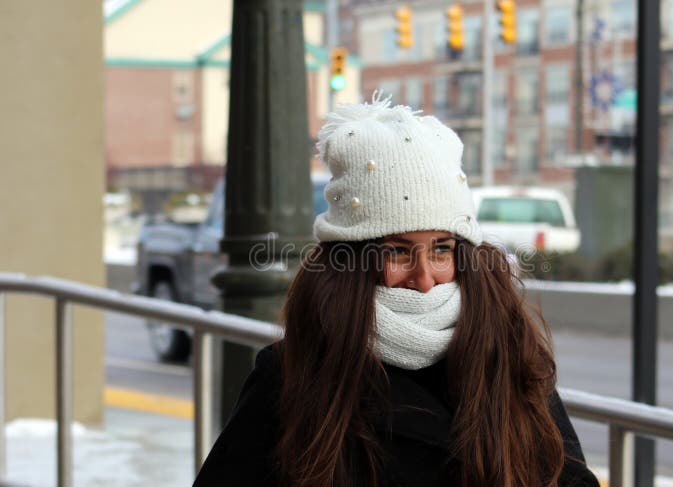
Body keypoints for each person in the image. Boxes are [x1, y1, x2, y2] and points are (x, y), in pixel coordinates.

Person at [194, 94, 600, 487]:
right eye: (398, 252)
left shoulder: (506, 353)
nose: (424, 278)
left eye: (441, 249)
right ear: (352, 261)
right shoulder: (291, 375)